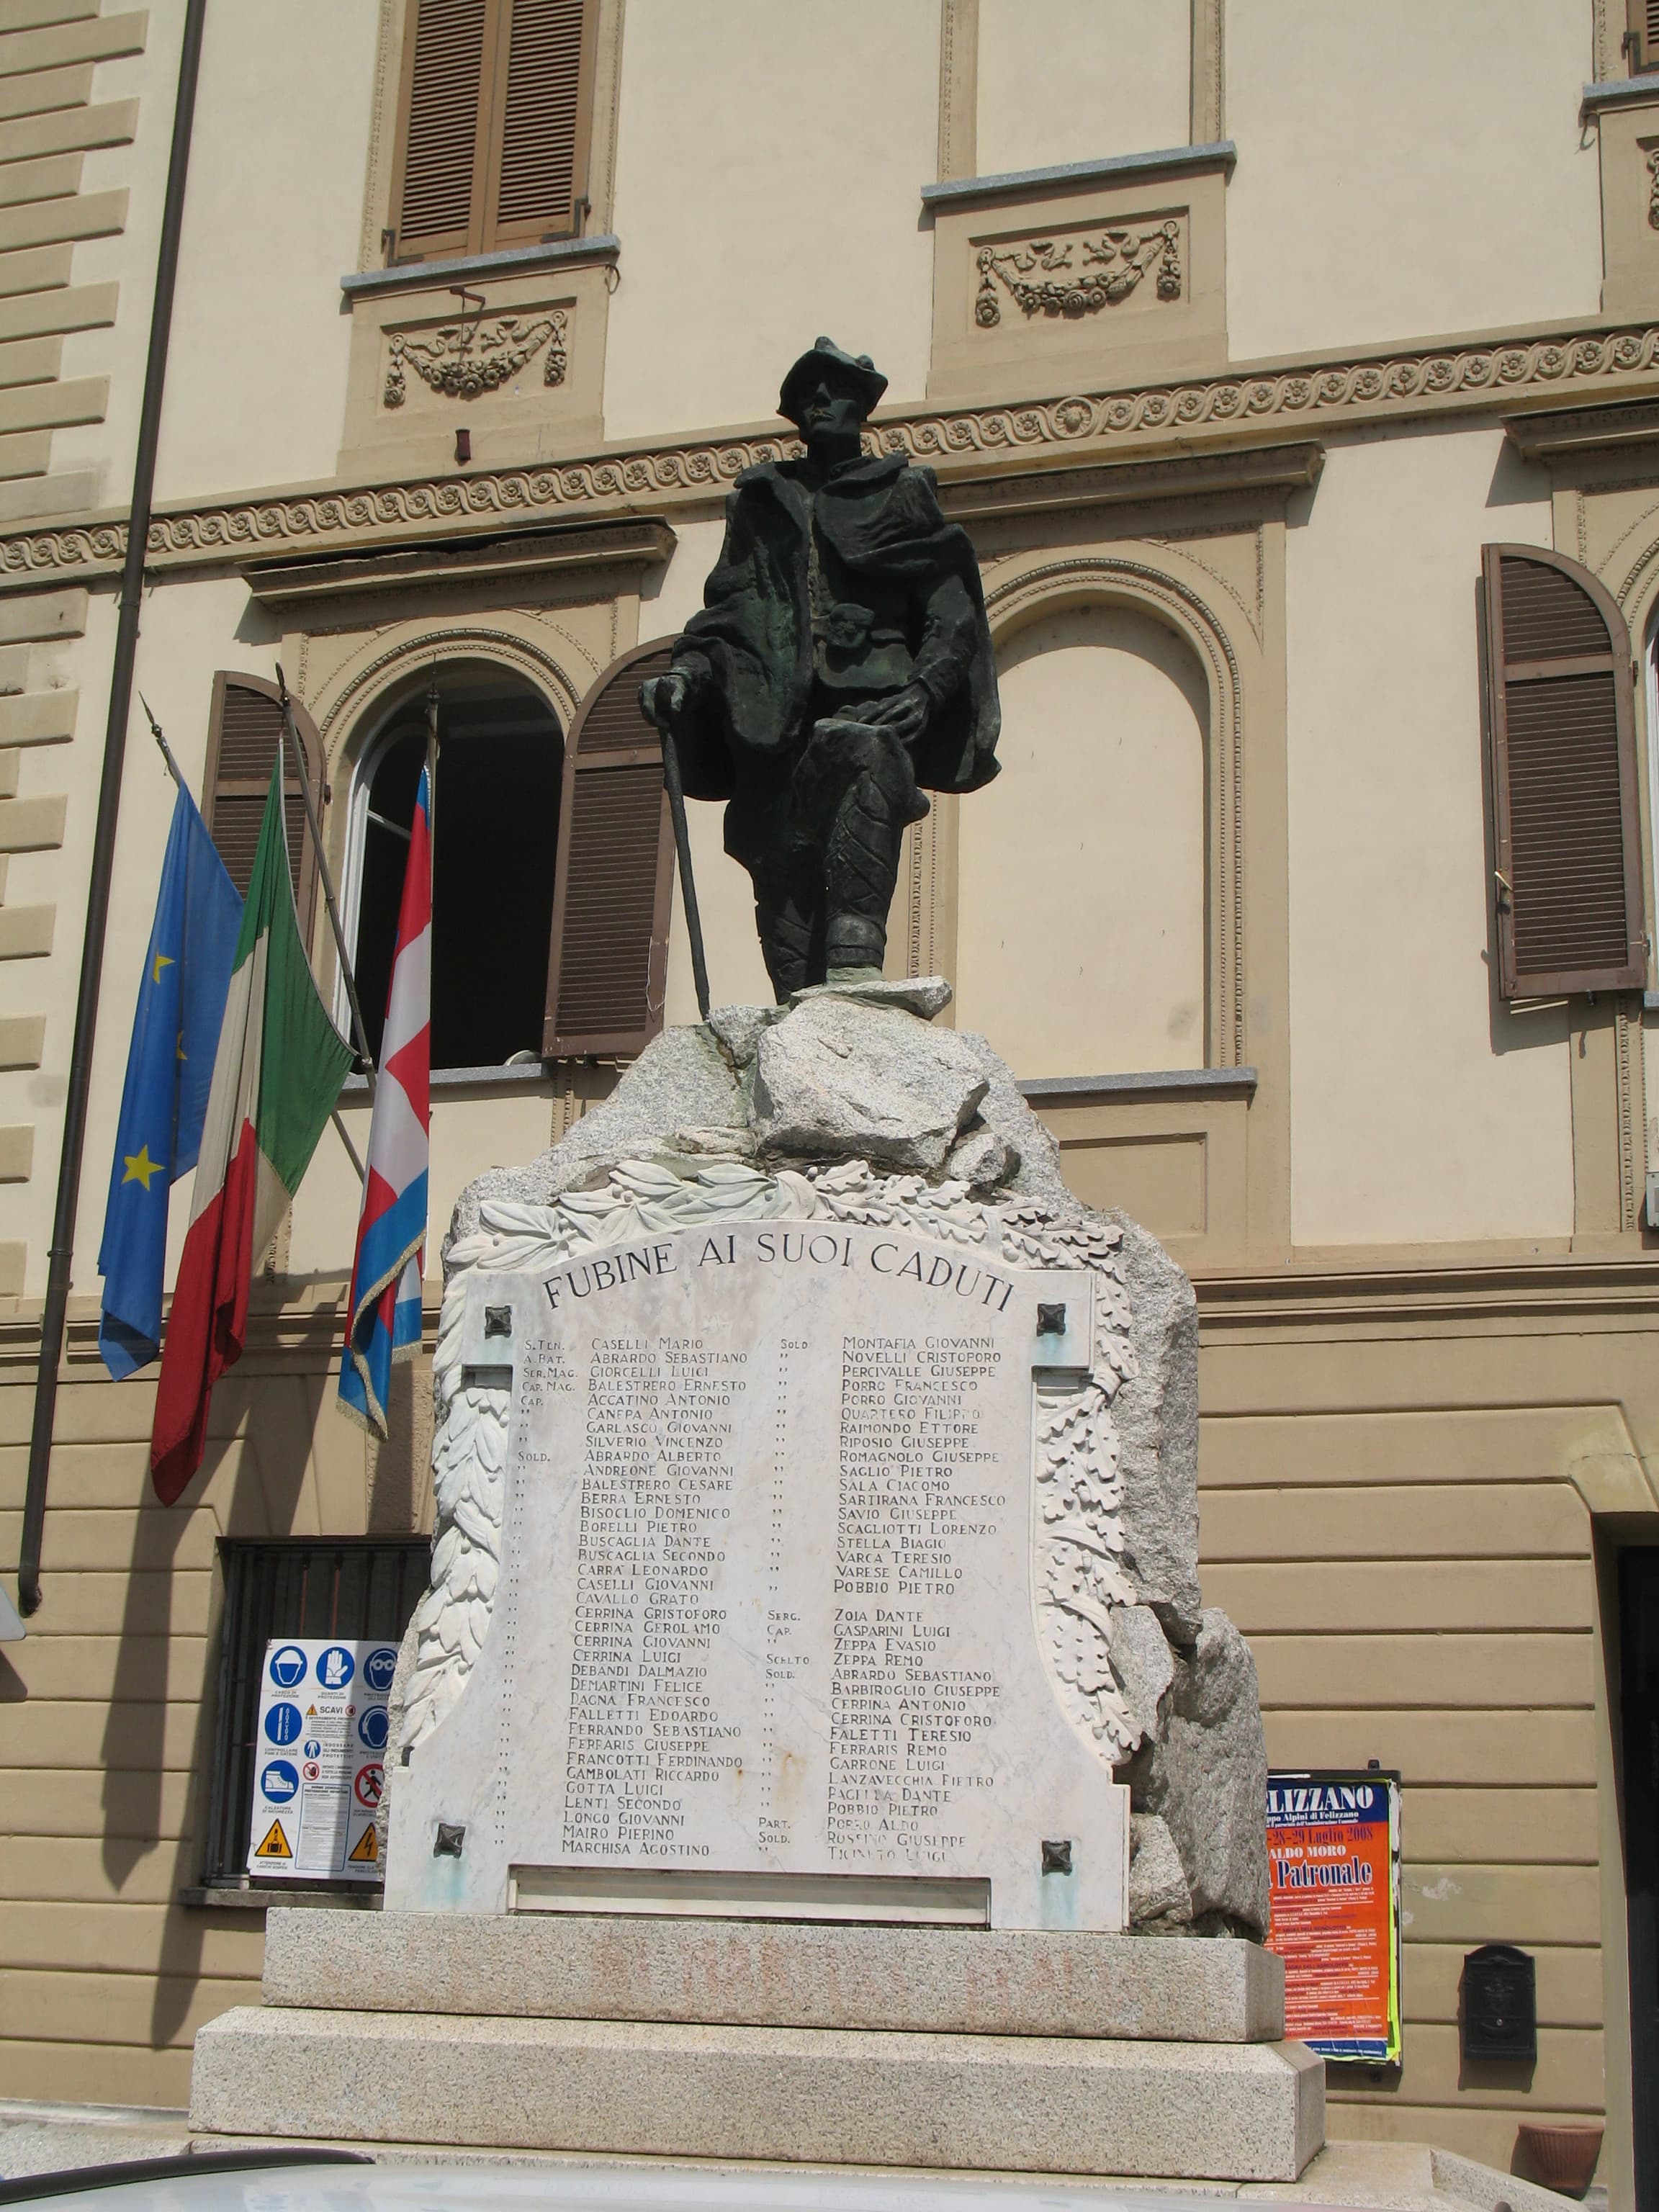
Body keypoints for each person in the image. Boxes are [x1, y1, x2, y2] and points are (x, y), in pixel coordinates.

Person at [640, 337, 1000, 999]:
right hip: (771, 712)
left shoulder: (900, 491)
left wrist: (926, 688)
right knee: (777, 858)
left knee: (863, 764)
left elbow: (951, 613)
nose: (820, 401)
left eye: (834, 390)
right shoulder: (758, 501)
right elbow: (728, 607)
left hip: (871, 698)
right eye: (807, 392)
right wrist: (686, 674)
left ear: (862, 407)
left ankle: (857, 957)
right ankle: (796, 1013)